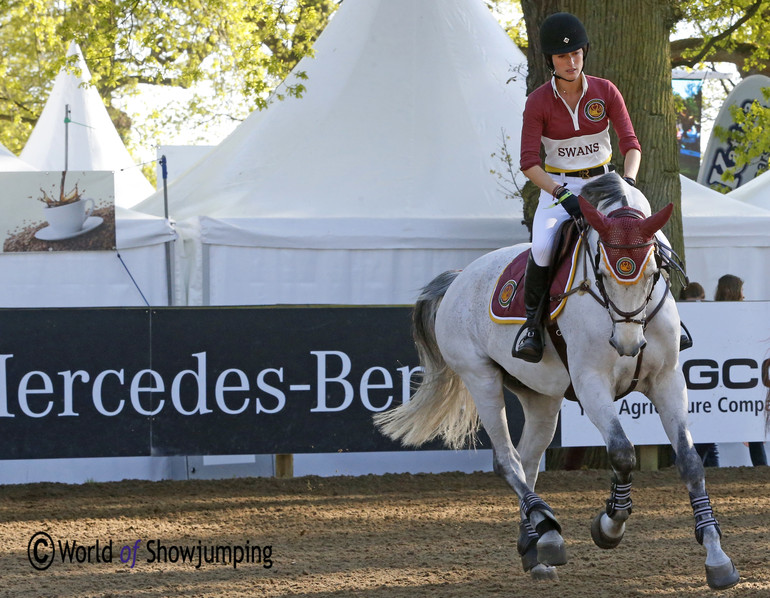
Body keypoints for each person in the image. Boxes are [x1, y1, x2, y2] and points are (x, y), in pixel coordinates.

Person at [513, 12, 641, 361]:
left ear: (585, 52)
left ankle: (670, 316)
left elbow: (630, 144)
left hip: (607, 182)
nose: (571, 62)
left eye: (576, 54)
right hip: (559, 186)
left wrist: (627, 181)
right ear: (550, 61)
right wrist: (559, 192)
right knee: (541, 247)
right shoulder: (538, 101)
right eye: (562, 57)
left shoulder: (605, 91)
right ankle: (532, 328)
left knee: (646, 229)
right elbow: (528, 162)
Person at [714, 274, 767, 466]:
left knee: (751, 430)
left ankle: (761, 469)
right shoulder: (717, 315)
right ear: (732, 291)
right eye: (741, 291)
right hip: (726, 379)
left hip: (738, 379)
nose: (744, 296)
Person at [678, 282, 719, 466]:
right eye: (693, 300)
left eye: (701, 300)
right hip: (689, 393)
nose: (698, 304)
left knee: (709, 445)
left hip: (707, 395)